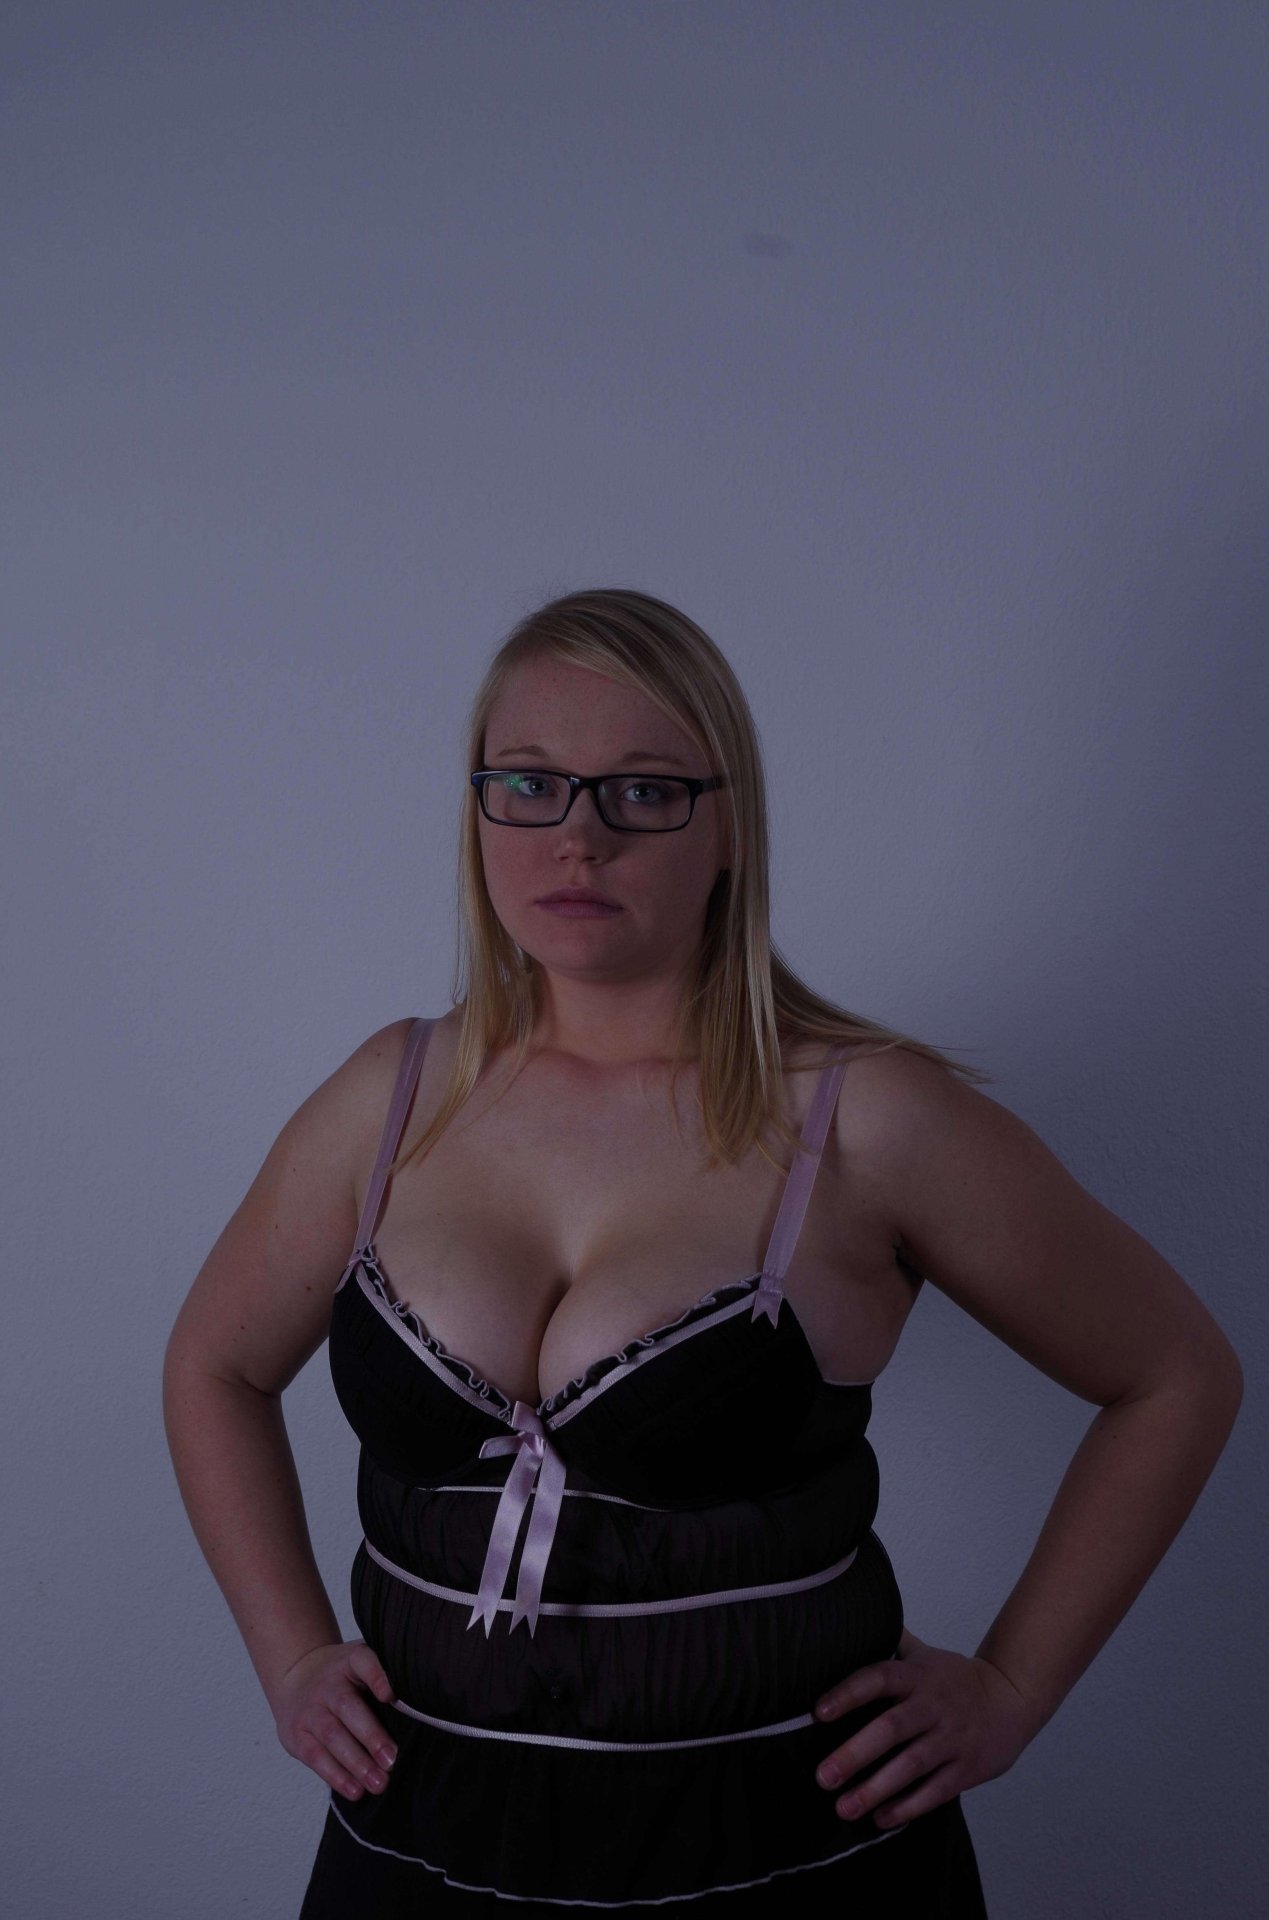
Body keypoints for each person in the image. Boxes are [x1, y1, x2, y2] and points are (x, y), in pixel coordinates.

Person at [163, 588, 1243, 1917]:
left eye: (643, 792)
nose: (578, 837)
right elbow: (213, 1366)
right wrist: (290, 1659)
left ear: (729, 824)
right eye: (528, 784)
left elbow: (1173, 1374)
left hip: (785, 1855)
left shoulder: (865, 1120)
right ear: (477, 810)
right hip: (421, 1846)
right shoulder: (388, 1100)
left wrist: (1012, 1686)